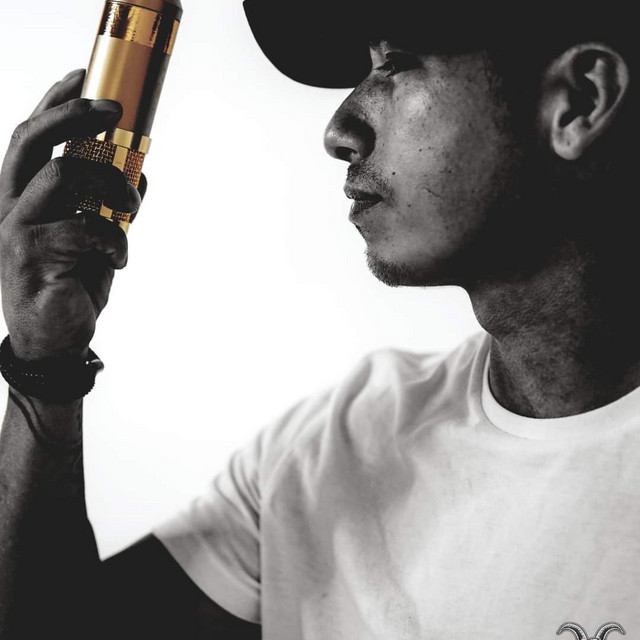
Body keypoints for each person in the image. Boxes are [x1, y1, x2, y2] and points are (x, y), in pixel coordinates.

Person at [0, 1, 638, 638]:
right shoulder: (326, 454)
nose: (339, 130)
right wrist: (45, 363)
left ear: (579, 100)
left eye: (395, 64)